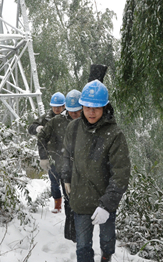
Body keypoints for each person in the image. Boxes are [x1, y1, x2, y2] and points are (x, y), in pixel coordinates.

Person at [62, 80, 131, 262]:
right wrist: (66, 178)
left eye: (97, 108)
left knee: (107, 242)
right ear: (82, 106)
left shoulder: (115, 135)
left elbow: (121, 173)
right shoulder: (73, 128)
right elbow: (67, 156)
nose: (91, 112)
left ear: (105, 107)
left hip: (104, 201)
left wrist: (107, 205)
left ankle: (106, 258)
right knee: (83, 247)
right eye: (87, 107)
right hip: (81, 199)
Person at [37, 90, 82, 219]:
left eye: (78, 110)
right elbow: (41, 137)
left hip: (84, 168)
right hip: (63, 165)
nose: (75, 114)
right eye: (72, 110)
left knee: (82, 201)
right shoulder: (56, 121)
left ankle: (82, 228)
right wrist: (44, 157)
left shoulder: (88, 121)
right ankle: (72, 230)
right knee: (69, 198)